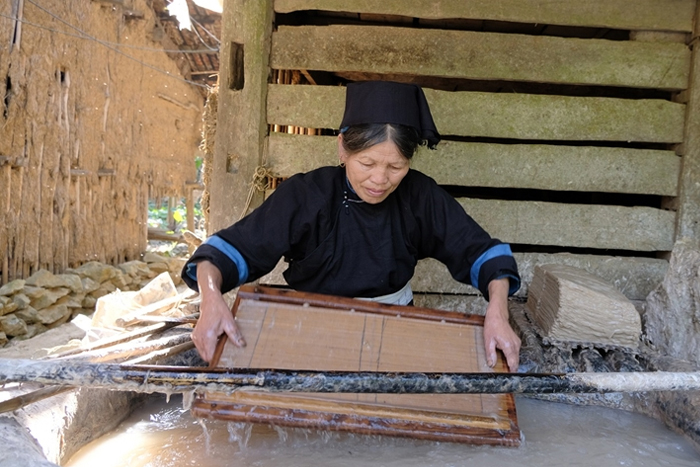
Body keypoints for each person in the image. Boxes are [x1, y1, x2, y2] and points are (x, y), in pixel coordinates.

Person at [182, 81, 522, 371]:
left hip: (394, 330)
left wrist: (498, 312)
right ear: (343, 147)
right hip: (306, 328)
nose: (380, 179)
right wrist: (211, 298)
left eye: (396, 166)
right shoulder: (305, 196)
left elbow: (482, 252)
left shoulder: (420, 197)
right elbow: (226, 252)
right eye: (368, 163)